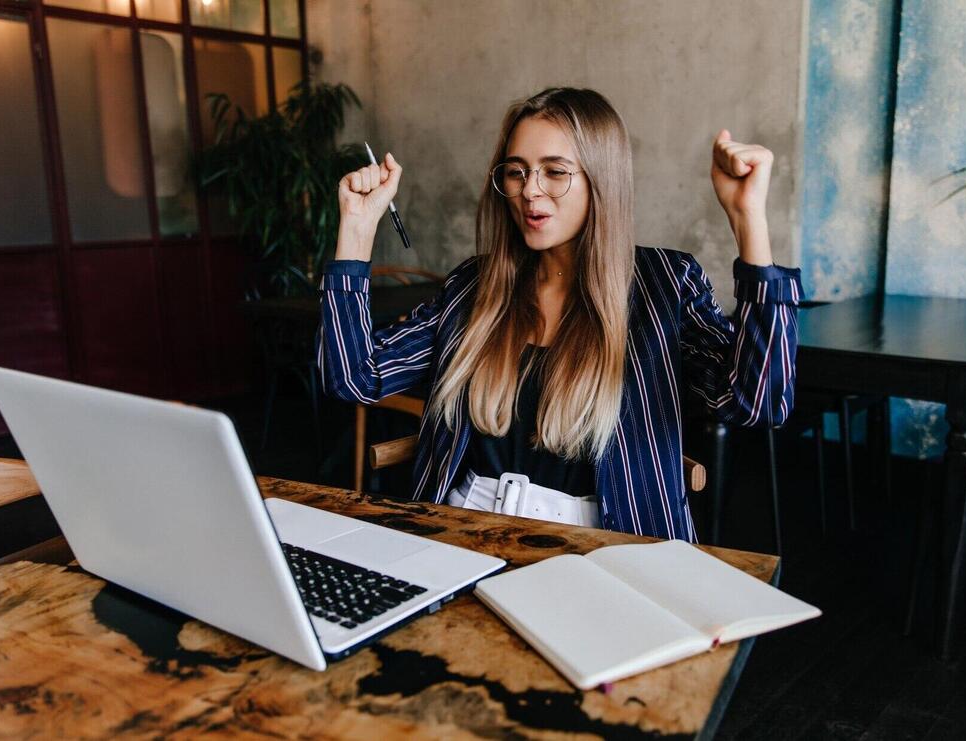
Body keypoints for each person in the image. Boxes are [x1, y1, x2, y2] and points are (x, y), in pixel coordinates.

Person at [317, 87, 801, 542]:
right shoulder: (475, 285)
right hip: (460, 532)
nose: (530, 191)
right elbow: (356, 377)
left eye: (554, 170)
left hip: (608, 547)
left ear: (601, 179)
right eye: (516, 170)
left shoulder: (663, 283)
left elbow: (759, 401)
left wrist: (748, 220)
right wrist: (357, 230)